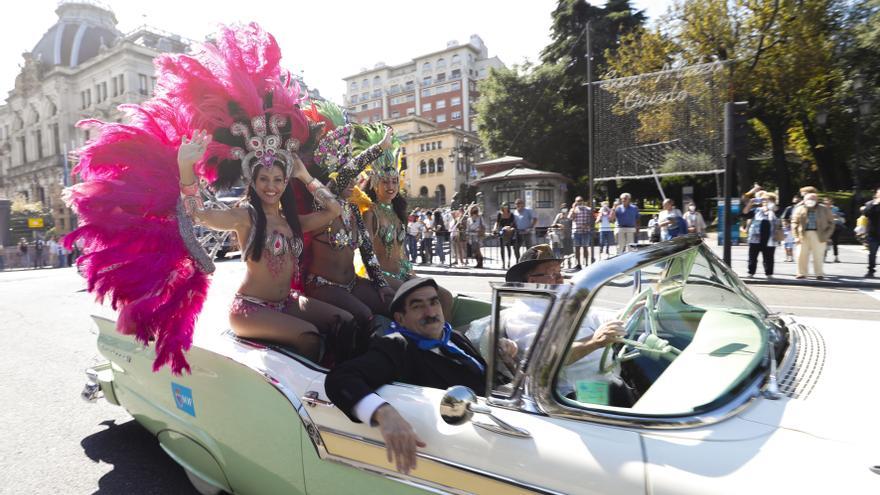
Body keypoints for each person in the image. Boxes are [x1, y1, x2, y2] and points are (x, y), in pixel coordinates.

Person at [179, 128, 355, 363]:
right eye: (264, 179)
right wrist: (185, 166)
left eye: (277, 180)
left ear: (285, 183)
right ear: (253, 181)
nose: (270, 186)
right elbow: (198, 214)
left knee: (345, 321)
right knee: (309, 338)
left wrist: (304, 176)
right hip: (251, 309)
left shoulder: (292, 222)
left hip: (287, 302)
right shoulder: (245, 217)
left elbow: (334, 209)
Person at [325, 277, 485, 475]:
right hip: (459, 445)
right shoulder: (397, 346)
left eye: (434, 302)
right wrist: (384, 413)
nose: (431, 312)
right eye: (418, 307)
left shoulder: (454, 337)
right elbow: (340, 378)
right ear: (400, 319)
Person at [791, 192, 835, 279]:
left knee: (818, 255)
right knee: (801, 255)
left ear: (817, 200)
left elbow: (831, 223)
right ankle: (802, 273)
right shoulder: (799, 209)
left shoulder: (824, 209)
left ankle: (819, 273)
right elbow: (794, 223)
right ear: (804, 200)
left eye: (813, 199)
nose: (811, 201)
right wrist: (796, 236)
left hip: (819, 234)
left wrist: (827, 235)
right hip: (803, 234)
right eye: (808, 199)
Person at [741, 186, 782, 278]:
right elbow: (745, 212)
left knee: (769, 256)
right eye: (763, 200)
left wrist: (770, 204)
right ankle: (751, 272)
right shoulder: (756, 210)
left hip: (770, 237)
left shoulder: (774, 210)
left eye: (767, 200)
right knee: (753, 256)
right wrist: (750, 203)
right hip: (755, 237)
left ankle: (769, 273)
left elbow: (776, 210)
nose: (764, 202)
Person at [568, 196, 593, 270]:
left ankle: (587, 264)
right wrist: (573, 209)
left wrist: (587, 225)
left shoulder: (588, 209)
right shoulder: (574, 210)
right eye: (577, 201)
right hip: (576, 232)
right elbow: (570, 218)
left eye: (580, 200)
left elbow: (592, 220)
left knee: (585, 248)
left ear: (583, 201)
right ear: (575, 202)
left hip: (585, 232)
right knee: (577, 249)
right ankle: (578, 264)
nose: (579, 202)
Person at [494, 202, 517, 269]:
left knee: (508, 247)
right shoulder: (499, 214)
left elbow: (513, 224)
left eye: (506, 206)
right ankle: (503, 263)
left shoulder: (511, 214)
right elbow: (497, 223)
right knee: (502, 248)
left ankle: (509, 262)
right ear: (502, 207)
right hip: (502, 232)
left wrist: (509, 228)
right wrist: (495, 229)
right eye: (504, 206)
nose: (505, 207)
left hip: (509, 232)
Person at [864, 187, 880, 278]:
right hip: (873, 234)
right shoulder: (870, 204)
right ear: (877, 194)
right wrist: (875, 204)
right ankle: (871, 271)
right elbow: (866, 213)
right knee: (872, 253)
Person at [780, 194, 801, 262]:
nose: (796, 200)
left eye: (798, 199)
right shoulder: (789, 208)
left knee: (794, 243)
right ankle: (788, 257)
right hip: (789, 227)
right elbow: (783, 217)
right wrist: (785, 225)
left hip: (799, 228)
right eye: (795, 198)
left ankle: (793, 256)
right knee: (786, 243)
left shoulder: (802, 208)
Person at [552, 203, 574, 269]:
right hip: (561, 236)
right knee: (562, 251)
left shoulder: (570, 215)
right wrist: (559, 225)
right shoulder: (559, 215)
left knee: (569, 251)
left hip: (568, 235)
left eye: (565, 208)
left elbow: (573, 223)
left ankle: (569, 263)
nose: (564, 210)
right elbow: (553, 224)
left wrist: (568, 217)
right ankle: (562, 264)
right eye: (563, 208)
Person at [824, 197, 845, 263]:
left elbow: (840, 214)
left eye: (829, 201)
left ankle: (836, 257)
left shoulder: (835, 208)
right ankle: (824, 257)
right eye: (826, 201)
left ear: (832, 202)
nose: (827, 203)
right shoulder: (822, 209)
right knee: (825, 242)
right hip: (826, 227)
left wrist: (836, 215)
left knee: (835, 242)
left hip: (835, 227)